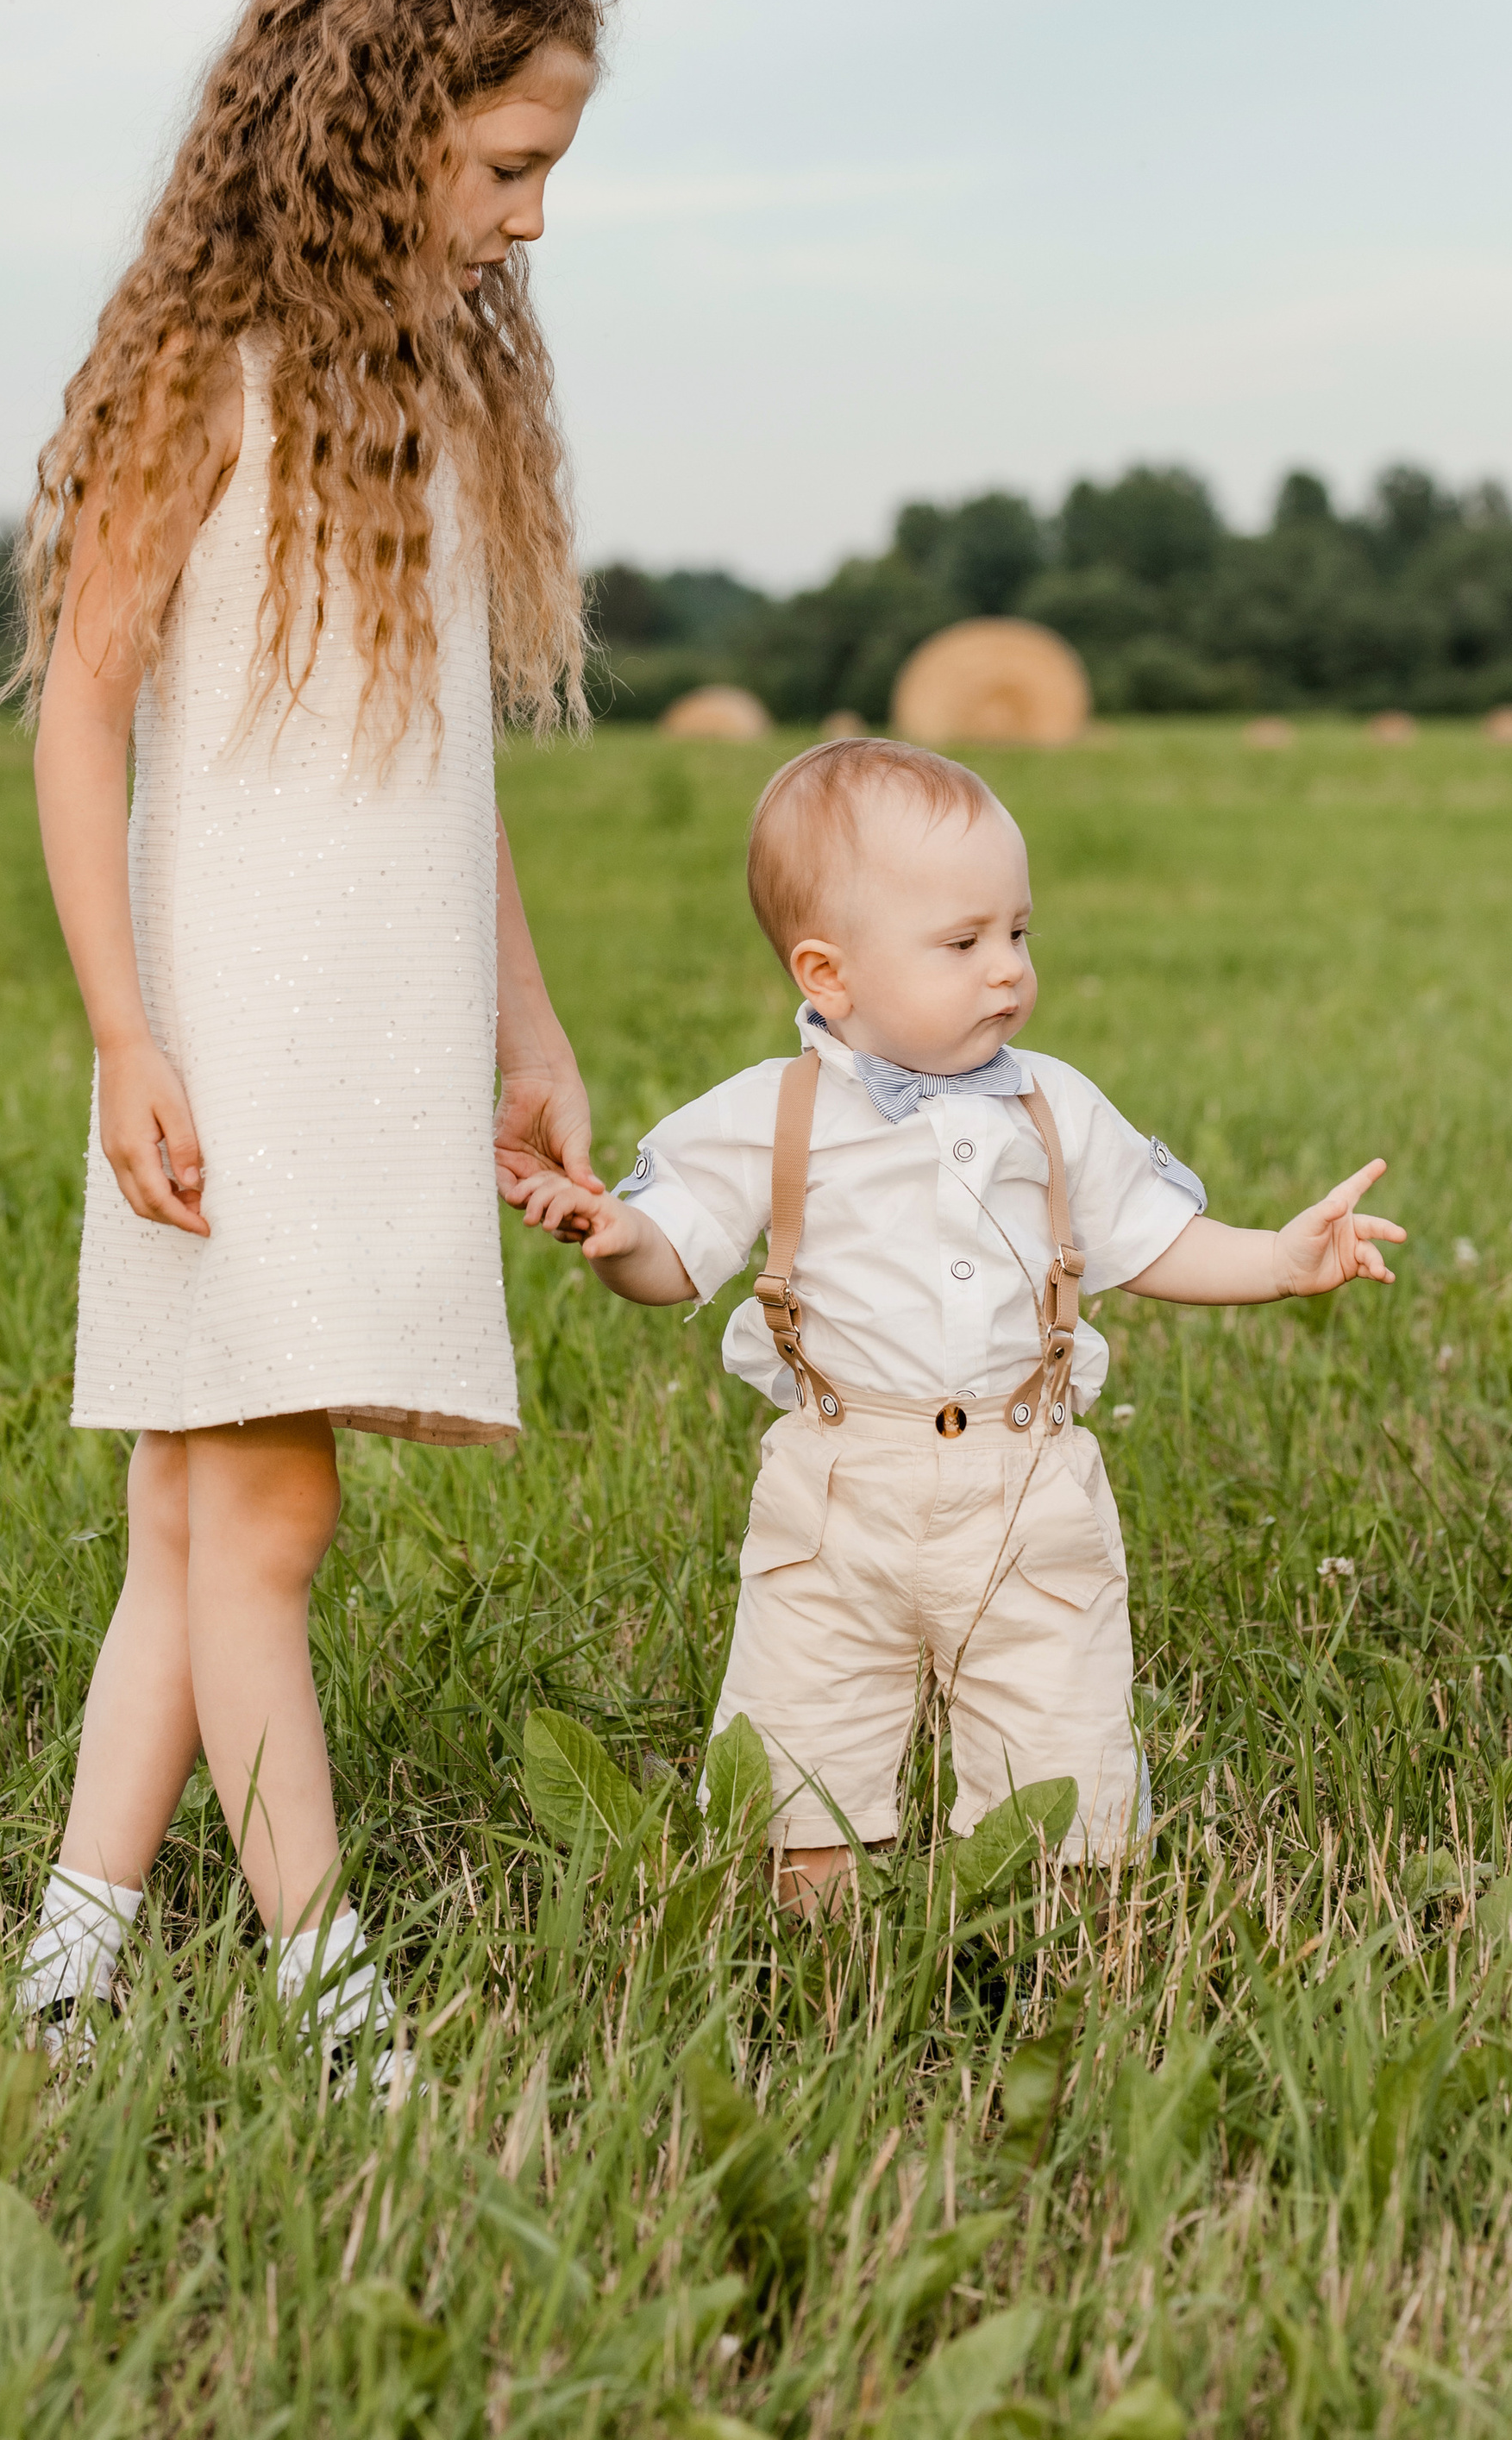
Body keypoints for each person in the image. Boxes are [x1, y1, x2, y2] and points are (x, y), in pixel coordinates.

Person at [9, 0, 605, 2063]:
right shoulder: (215, 371)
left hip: (366, 1042)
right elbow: (79, 710)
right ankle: (336, 2008)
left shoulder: (420, 393)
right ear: (382, 121)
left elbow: (437, 770)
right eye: (508, 166)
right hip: (233, 1044)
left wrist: (525, 1028)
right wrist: (123, 1032)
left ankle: (67, 1977)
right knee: (266, 1513)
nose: (532, 218)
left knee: (193, 1523)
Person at [513, 737, 1403, 1910]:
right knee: (802, 1752)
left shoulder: (1054, 1104)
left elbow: (1153, 1239)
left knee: (1065, 1756)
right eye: (964, 943)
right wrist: (618, 1235)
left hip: (1026, 1482)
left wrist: (1281, 1261)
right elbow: (675, 1253)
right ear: (827, 974)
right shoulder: (770, 1112)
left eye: (1019, 933)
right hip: (839, 1489)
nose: (1008, 972)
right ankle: (819, 1956)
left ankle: (1068, 1949)